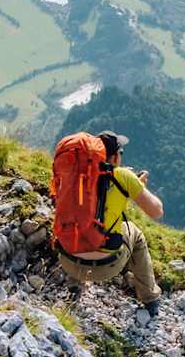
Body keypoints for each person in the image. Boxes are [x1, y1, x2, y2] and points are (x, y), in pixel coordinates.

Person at [56, 132, 166, 318]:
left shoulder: (75, 177)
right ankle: (150, 298)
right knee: (136, 235)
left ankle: (74, 288)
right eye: (120, 152)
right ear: (114, 157)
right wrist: (137, 186)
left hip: (68, 261)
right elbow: (157, 211)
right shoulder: (123, 176)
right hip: (106, 267)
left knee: (79, 226)